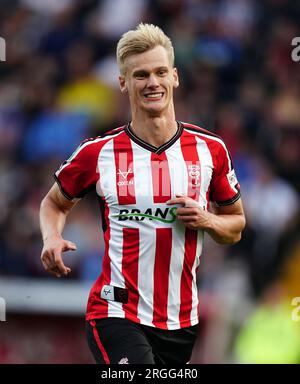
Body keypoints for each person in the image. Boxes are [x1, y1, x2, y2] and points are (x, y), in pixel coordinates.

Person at [39, 23, 246, 364]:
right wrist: (51, 237)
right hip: (115, 309)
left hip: (180, 320)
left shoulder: (211, 150)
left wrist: (207, 220)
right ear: (123, 83)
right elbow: (53, 202)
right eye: (141, 75)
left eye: (160, 72)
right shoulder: (97, 152)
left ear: (175, 77)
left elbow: (235, 227)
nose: (152, 82)